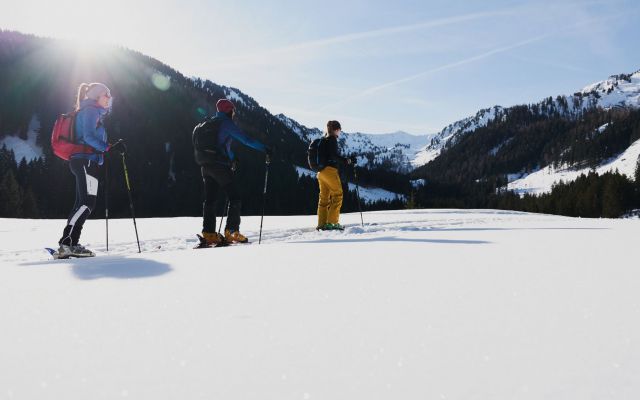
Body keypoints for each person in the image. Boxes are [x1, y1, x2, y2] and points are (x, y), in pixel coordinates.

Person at [57, 82, 125, 258]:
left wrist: (106, 148)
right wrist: (108, 148)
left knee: (83, 203)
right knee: (87, 203)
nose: (109, 98)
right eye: (106, 95)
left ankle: (70, 243)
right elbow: (88, 137)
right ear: (97, 96)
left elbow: (89, 137)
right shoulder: (91, 111)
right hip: (85, 160)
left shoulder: (91, 111)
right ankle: (67, 244)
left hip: (86, 161)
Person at [193, 98, 271, 245]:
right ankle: (231, 231)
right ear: (229, 110)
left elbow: (221, 146)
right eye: (233, 111)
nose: (234, 113)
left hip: (205, 166)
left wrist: (233, 158)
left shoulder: (209, 123)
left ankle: (209, 234)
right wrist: (264, 148)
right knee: (235, 197)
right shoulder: (226, 123)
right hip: (219, 166)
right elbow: (246, 139)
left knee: (210, 200)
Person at [316, 120, 353, 231]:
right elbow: (334, 156)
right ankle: (332, 223)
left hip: (320, 172)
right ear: (336, 130)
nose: (340, 133)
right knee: (338, 195)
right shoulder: (332, 139)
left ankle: (322, 224)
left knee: (324, 199)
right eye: (339, 130)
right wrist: (347, 161)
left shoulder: (323, 140)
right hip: (330, 171)